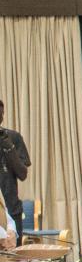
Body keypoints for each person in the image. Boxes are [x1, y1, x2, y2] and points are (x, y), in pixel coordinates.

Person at [0, 101, 30, 237]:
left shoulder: (12, 137)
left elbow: (22, 174)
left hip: (11, 208)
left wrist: (9, 147)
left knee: (15, 255)